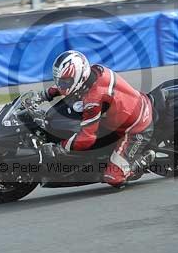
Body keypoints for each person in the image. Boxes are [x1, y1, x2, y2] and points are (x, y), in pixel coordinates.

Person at [34, 50, 154, 189]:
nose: (62, 85)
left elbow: (87, 138)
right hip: (122, 114)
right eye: (60, 81)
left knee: (113, 177)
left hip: (136, 127)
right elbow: (72, 85)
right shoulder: (93, 72)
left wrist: (59, 148)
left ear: (80, 75)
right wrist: (46, 94)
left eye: (66, 82)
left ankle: (142, 160)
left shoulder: (94, 98)